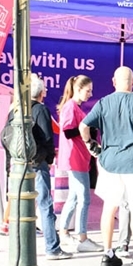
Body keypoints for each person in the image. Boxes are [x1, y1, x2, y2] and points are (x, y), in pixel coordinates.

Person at [79, 67, 133, 266]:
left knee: (110, 208)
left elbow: (83, 126)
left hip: (110, 162)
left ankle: (108, 254)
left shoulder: (103, 102)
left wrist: (91, 145)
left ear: (113, 81)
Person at [28, 74, 71, 261]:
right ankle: (52, 247)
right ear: (41, 93)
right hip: (38, 163)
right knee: (45, 204)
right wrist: (50, 158)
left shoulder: (16, 109)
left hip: (20, 164)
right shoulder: (41, 110)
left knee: (24, 206)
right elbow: (47, 137)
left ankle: (24, 247)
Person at [56, 75, 99, 253]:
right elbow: (67, 131)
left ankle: (64, 231)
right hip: (74, 157)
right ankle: (82, 236)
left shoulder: (75, 107)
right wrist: (87, 129)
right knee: (84, 198)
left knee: (74, 197)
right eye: (88, 90)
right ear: (78, 89)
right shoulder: (70, 107)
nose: (90, 94)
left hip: (79, 157)